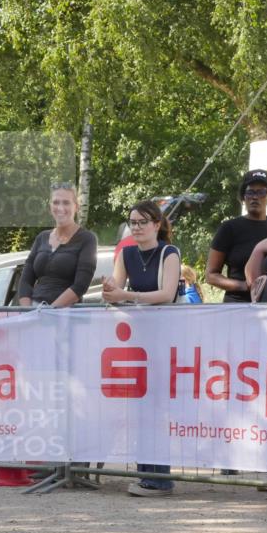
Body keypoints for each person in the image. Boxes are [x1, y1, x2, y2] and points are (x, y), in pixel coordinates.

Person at [102, 198, 181, 496]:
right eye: (132, 222)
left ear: (157, 225)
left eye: (142, 222)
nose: (136, 227)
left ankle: (160, 478)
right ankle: (146, 473)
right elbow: (116, 290)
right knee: (140, 408)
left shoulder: (169, 253)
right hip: (137, 341)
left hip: (163, 338)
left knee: (157, 409)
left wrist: (126, 295)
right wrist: (110, 291)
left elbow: (167, 294)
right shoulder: (127, 254)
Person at [205, 169, 267, 303]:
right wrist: (244, 286)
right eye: (250, 192)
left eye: (261, 192)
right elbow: (211, 275)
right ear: (243, 197)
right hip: (237, 306)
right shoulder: (229, 228)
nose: (255, 197)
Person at [17, 183, 97, 307]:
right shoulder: (41, 237)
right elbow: (25, 281)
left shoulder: (87, 239)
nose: (60, 207)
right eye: (56, 202)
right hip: (34, 311)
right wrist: (28, 312)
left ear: (76, 207)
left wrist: (49, 312)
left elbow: (80, 285)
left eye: (66, 203)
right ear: (50, 207)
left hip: (66, 314)